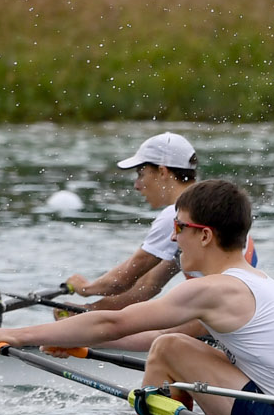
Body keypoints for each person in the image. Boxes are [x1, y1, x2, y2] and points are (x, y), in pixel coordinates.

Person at [0, 181, 274, 415]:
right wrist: (82, 347)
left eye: (179, 226)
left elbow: (114, 323)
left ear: (205, 235)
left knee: (169, 350)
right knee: (172, 345)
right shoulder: (255, 280)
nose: (174, 238)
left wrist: (15, 334)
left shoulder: (213, 289)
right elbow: (146, 332)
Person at [65, 132, 214, 314]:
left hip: (221, 316)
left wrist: (85, 288)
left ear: (162, 172)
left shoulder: (176, 215)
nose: (136, 185)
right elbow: (146, 284)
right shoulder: (212, 205)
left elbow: (121, 281)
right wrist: (87, 310)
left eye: (141, 174)